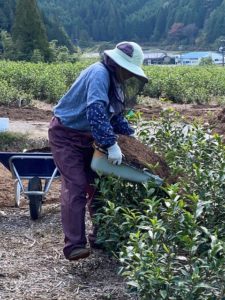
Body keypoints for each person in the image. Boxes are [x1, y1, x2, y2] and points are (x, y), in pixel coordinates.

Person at [48, 41, 148, 261]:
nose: (130, 76)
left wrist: (132, 142)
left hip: (89, 136)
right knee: (75, 184)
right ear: (117, 64)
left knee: (99, 184)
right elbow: (96, 111)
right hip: (66, 134)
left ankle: (102, 236)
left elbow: (116, 116)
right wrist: (111, 144)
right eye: (128, 71)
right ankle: (74, 245)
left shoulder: (116, 82)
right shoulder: (99, 74)